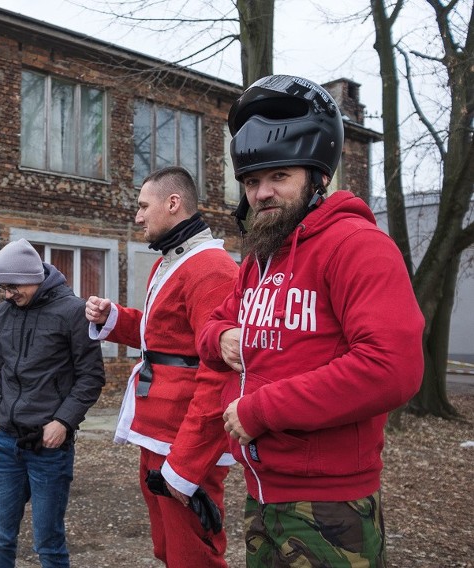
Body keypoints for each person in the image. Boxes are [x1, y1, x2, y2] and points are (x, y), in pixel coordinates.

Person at [198, 74, 425, 567]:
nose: (261, 193)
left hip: (330, 504)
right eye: (253, 181)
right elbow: (212, 324)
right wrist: (221, 337)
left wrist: (261, 411)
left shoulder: (357, 246)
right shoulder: (261, 258)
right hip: (261, 494)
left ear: (318, 177)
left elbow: (392, 367)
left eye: (279, 176)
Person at [85, 166, 239, 567]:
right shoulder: (169, 263)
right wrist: (113, 317)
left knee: (194, 555)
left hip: (184, 439)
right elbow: (164, 337)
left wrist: (186, 465)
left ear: (173, 204)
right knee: (168, 549)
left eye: (142, 206)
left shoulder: (212, 269)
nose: (137, 217)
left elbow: (220, 374)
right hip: (157, 431)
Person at [0, 238, 105, 568]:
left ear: (32, 277)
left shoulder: (72, 313)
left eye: (12, 286)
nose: (8, 294)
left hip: (49, 447)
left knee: (48, 544)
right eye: (2, 287)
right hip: (6, 442)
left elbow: (91, 377)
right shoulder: (2, 314)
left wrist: (63, 422)